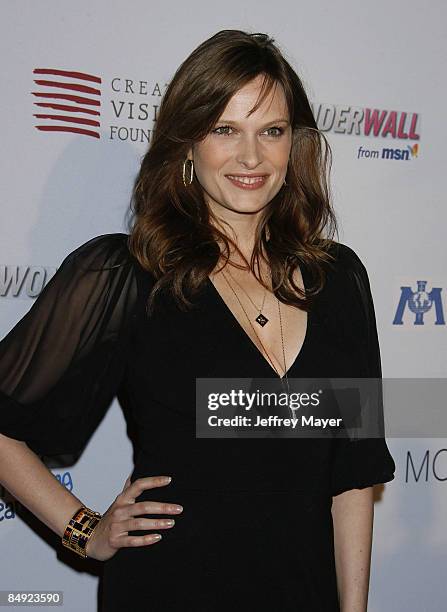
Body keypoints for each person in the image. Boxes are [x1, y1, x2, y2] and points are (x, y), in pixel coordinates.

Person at [0, 29, 395, 611]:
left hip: (301, 591)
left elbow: (353, 476)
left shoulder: (339, 280)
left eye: (272, 131)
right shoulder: (126, 274)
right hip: (168, 587)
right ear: (186, 143)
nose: (252, 157)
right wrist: (83, 529)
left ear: (297, 143)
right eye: (224, 130)